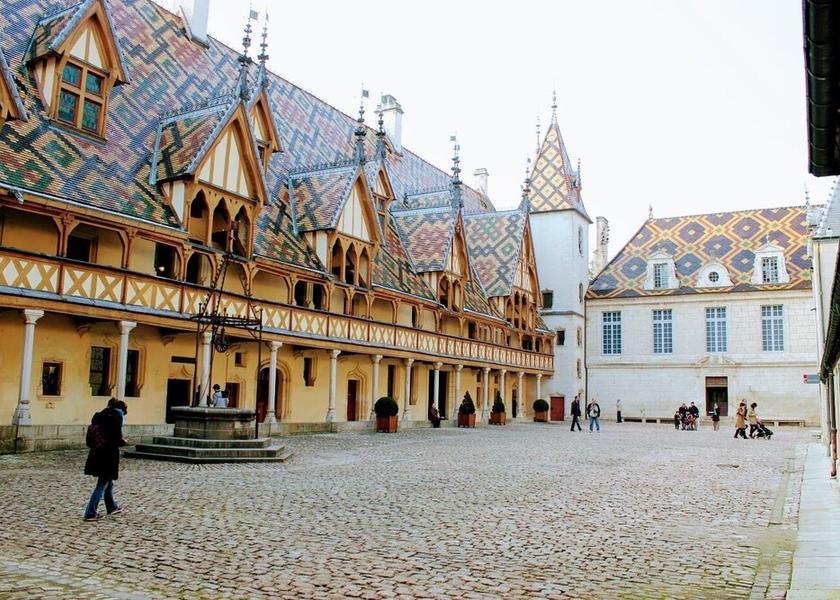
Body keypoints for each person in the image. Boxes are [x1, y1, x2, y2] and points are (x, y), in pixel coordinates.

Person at [83, 398, 127, 521]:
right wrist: (123, 442)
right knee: (102, 483)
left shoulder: (98, 416)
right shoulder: (115, 419)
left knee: (108, 480)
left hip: (96, 453)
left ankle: (112, 506)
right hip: (108, 455)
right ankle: (90, 512)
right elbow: (116, 439)